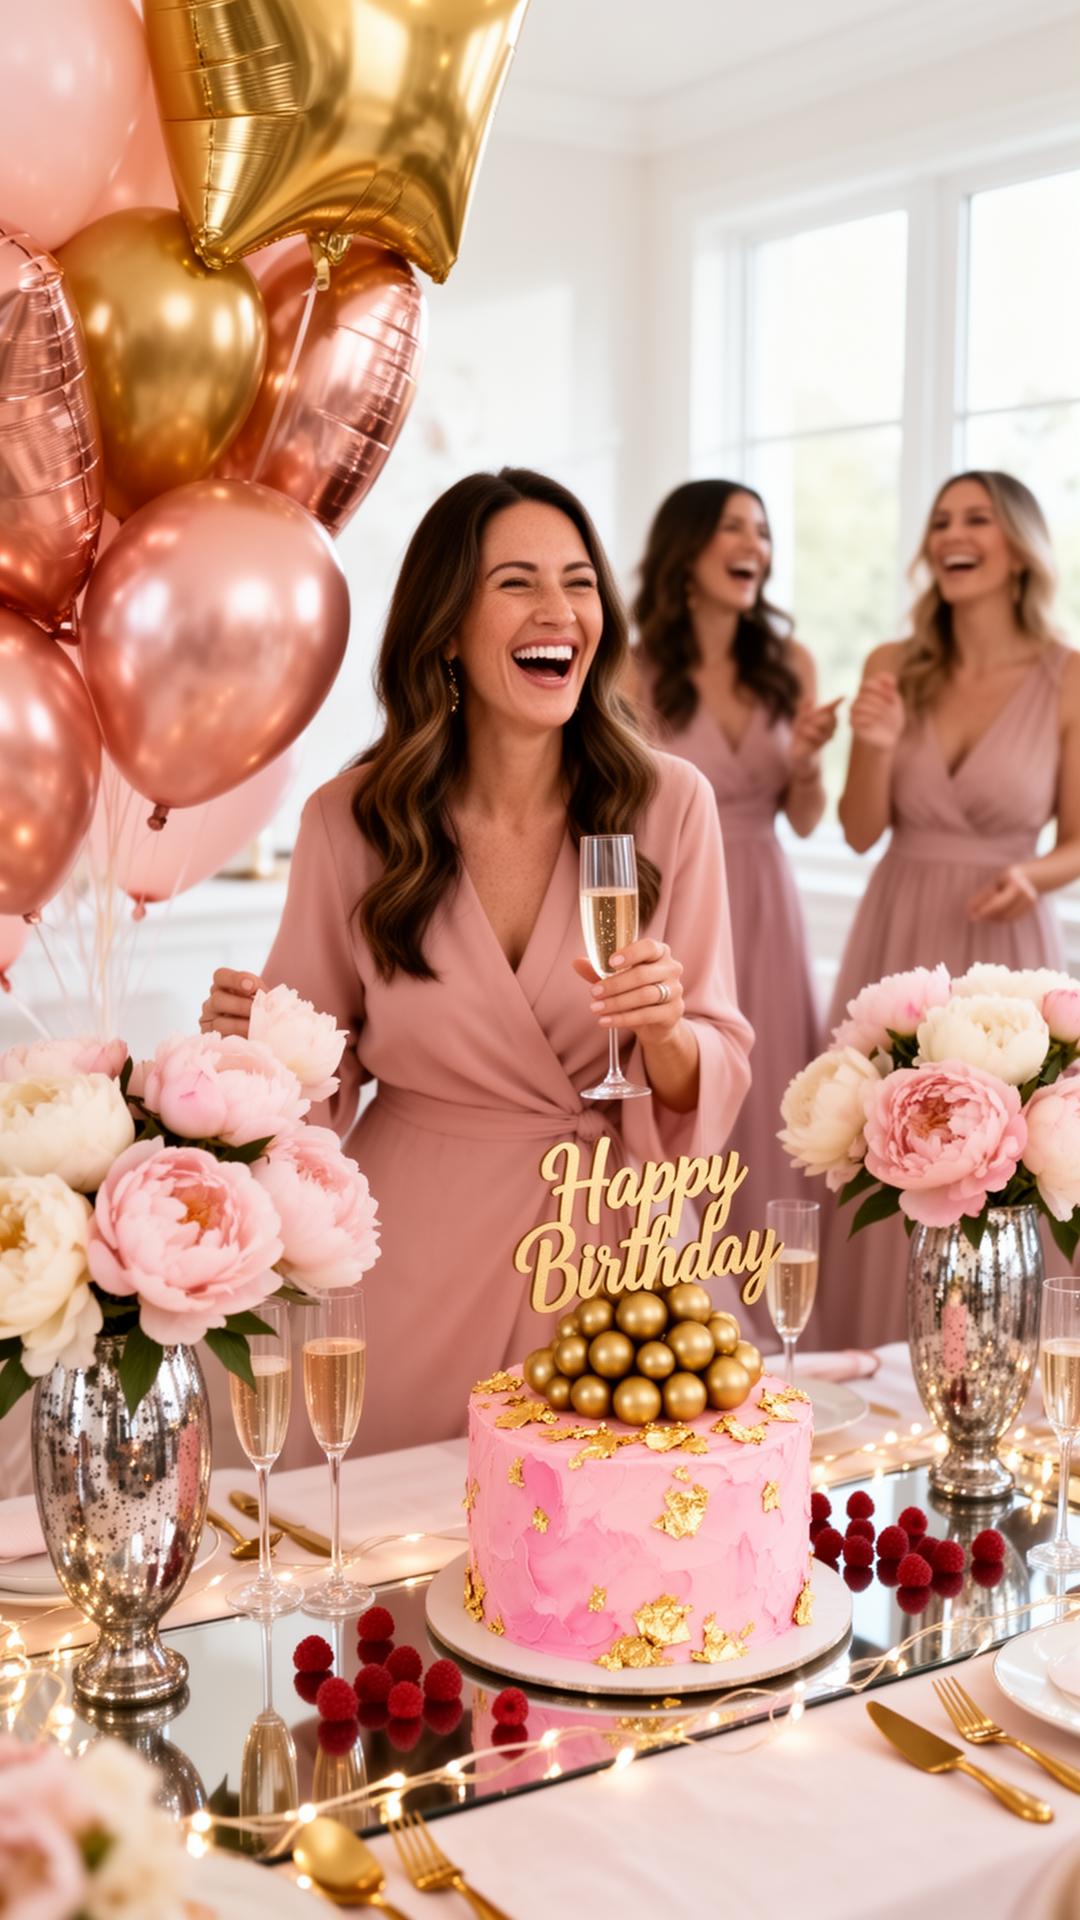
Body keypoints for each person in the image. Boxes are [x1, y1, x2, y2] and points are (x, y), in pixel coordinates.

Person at [201, 468, 754, 1462]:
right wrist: (248, 1058)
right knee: (401, 1572)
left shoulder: (672, 803)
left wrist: (667, 1033)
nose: (560, 611)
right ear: (447, 627)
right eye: (517, 582)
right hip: (410, 1257)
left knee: (617, 1572)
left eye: (579, 581)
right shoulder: (353, 820)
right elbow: (312, 1092)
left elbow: (714, 1067)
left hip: (612, 1259)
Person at [819, 469, 1080, 1347]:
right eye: (939, 521)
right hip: (900, 936)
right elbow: (858, 830)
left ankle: (999, 1366)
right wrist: (876, 745)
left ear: (1019, 550)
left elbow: (1079, 837)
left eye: (976, 519)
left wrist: (1034, 878)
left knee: (1005, 1163)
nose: (951, 535)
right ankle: (876, 1357)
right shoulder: (893, 666)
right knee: (891, 1145)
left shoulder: (1068, 676)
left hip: (1006, 952)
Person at [630, 480, 838, 1315]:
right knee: (688, 1094)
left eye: (763, 530)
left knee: (775, 1103)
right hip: (674, 901)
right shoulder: (631, 666)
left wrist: (812, 764)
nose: (756, 543)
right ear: (687, 549)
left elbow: (808, 815)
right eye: (733, 527)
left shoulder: (788, 665)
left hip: (764, 894)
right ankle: (696, 1306)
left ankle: (783, 1314)